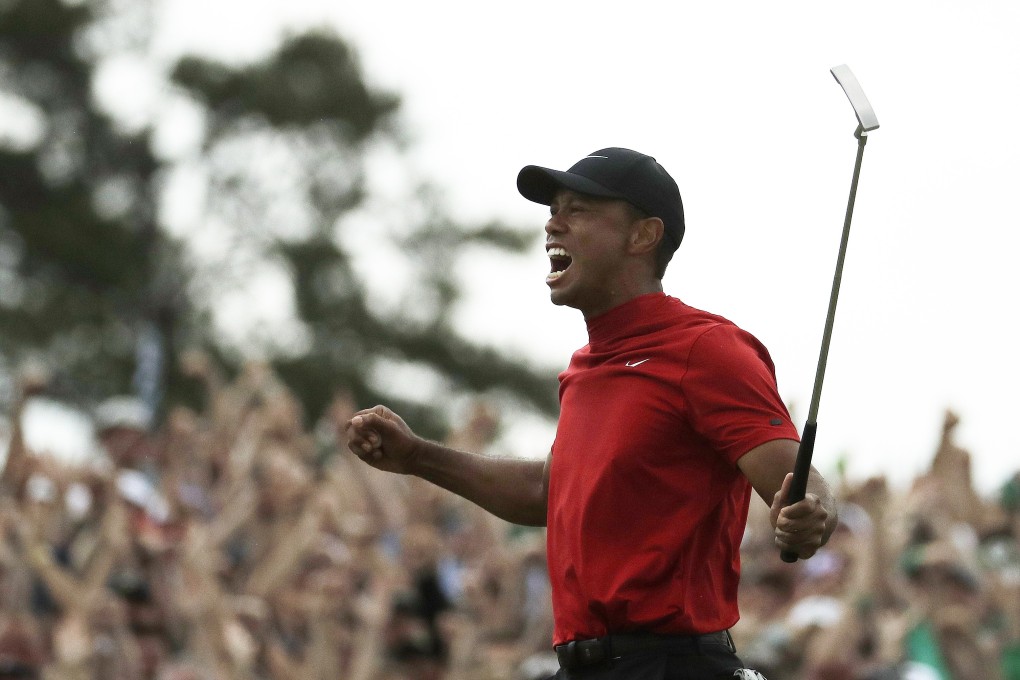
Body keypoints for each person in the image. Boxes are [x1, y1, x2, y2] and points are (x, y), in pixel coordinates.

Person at [345, 147, 838, 679]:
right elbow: (545, 491)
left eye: (577, 210)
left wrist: (810, 516)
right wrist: (417, 456)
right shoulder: (585, 367)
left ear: (642, 236)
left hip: (670, 666)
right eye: (553, 210)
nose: (552, 224)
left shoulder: (707, 349)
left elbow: (800, 486)